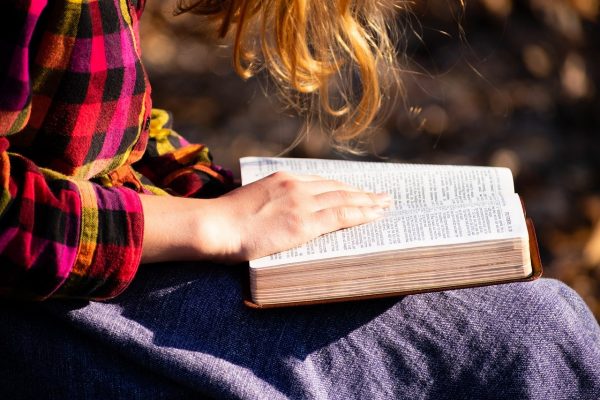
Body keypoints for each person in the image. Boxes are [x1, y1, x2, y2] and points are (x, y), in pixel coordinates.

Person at [1, 0, 599, 398]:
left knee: (536, 323)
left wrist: (229, 191)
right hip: (49, 298)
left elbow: (106, 123)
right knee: (533, 336)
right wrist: (210, 225)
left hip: (98, 259)